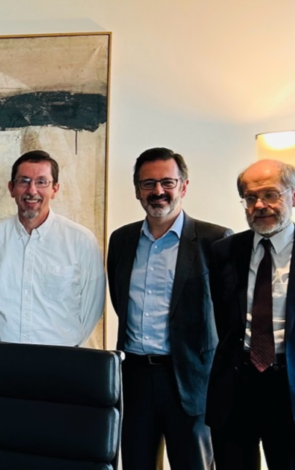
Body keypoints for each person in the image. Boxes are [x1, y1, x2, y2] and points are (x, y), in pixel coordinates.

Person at [106, 148, 231, 470]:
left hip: (190, 381)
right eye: (148, 183)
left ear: (184, 186)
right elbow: (121, 303)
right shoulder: (121, 240)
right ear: (137, 190)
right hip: (135, 378)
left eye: (167, 182)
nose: (158, 191)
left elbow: (228, 315)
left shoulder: (216, 241)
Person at [207, 160, 295, 470]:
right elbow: (222, 320)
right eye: (250, 197)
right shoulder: (223, 252)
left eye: (270, 194)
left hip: (293, 389)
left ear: (294, 196)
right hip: (235, 387)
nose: (259, 205)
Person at [0, 150, 105, 346]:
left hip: (60, 357)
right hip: (2, 356)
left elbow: (92, 308)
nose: (32, 190)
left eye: (41, 182)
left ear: (55, 189)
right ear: (11, 188)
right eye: (24, 181)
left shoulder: (81, 241)